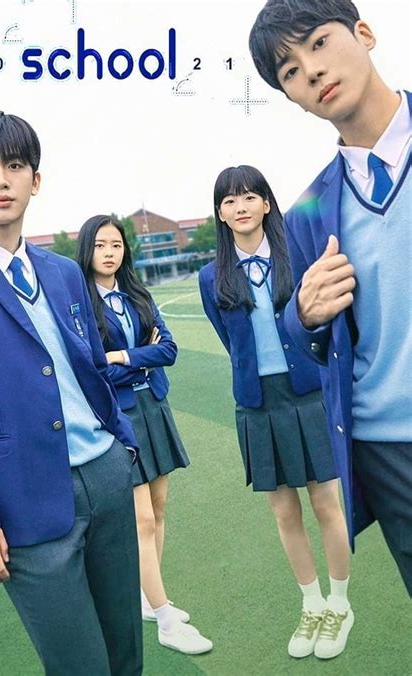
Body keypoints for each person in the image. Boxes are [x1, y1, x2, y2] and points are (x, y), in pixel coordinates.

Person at [0, 110, 143, 675]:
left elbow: (91, 368)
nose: (1, 180)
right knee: (81, 666)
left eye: (14, 165)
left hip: (106, 478)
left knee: (126, 656)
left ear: (36, 179)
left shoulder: (62, 272)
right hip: (21, 501)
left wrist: (122, 443)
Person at [249, 0, 411, 595]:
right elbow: (301, 330)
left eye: (318, 42)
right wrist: (304, 315)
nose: (311, 70)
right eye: (289, 70)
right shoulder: (308, 213)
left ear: (363, 33)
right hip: (387, 449)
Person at [199, 165, 353, 659]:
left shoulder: (300, 257)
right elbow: (233, 344)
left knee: (326, 503)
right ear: (221, 214)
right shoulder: (210, 277)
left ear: (267, 204)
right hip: (257, 403)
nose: (240, 206)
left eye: (249, 196)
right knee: (285, 512)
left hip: (308, 393)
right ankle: (311, 604)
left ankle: (339, 604)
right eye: (229, 200)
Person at [76, 215, 213, 655]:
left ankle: (146, 597)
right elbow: (94, 367)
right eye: (101, 245)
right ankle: (167, 618)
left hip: (154, 407)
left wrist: (122, 356)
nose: (109, 252)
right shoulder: (80, 305)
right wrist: (137, 357)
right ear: (87, 250)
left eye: (116, 245)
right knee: (142, 520)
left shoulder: (138, 295)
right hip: (120, 416)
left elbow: (167, 349)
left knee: (159, 509)